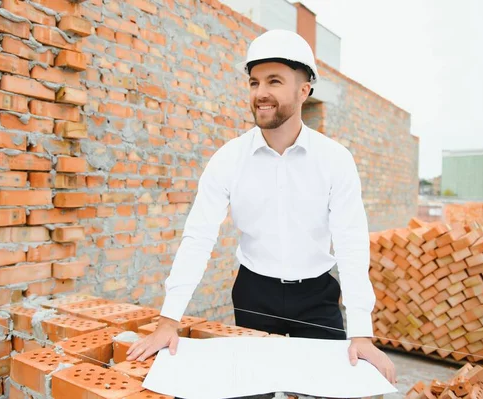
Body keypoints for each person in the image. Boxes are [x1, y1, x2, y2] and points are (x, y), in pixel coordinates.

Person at [127, 29, 396, 384]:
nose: (261, 93)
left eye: (274, 81)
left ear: (304, 90)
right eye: (254, 83)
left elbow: (351, 244)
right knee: (252, 389)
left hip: (317, 298)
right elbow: (198, 239)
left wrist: (361, 332)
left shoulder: (335, 160)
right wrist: (168, 322)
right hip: (254, 294)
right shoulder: (228, 159)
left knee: (327, 390)